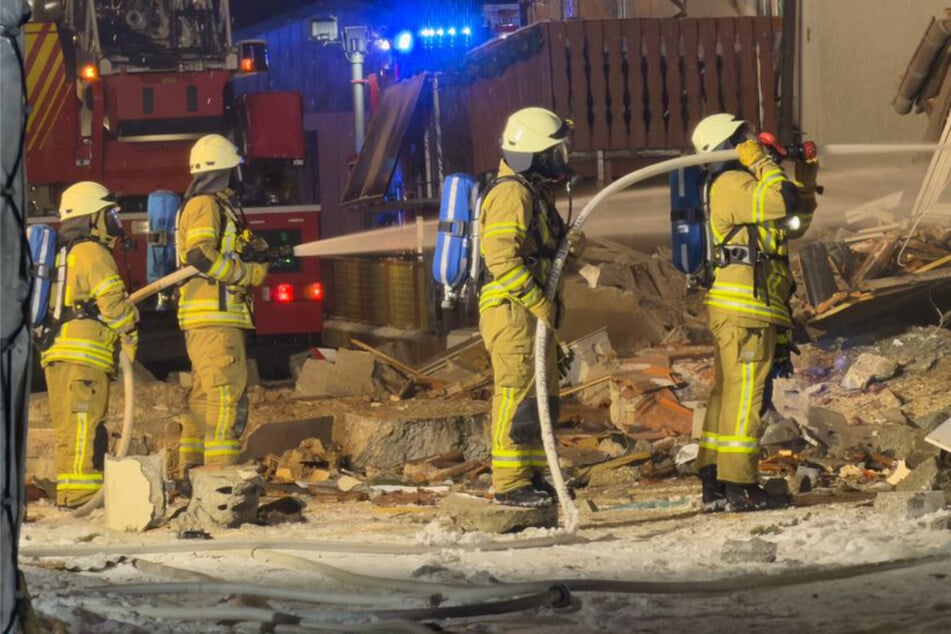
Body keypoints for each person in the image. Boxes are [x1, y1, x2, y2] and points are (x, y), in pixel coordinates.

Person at [691, 113, 819, 512]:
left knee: (729, 394)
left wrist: (806, 173)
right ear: (728, 145)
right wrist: (763, 162)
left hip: (750, 308)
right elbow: (777, 199)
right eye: (743, 138)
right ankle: (740, 485)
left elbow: (793, 221)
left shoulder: (747, 184)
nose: (753, 141)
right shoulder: (731, 184)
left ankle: (715, 478)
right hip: (744, 310)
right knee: (745, 396)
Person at [478, 106, 584, 508]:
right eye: (555, 152)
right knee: (517, 394)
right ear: (533, 155)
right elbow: (501, 260)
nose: (563, 159)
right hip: (513, 310)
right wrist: (540, 302)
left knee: (541, 395)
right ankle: (509, 483)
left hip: (530, 311)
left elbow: (549, 251)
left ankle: (535, 474)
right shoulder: (510, 195)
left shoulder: (533, 194)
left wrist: (572, 247)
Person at [175, 134, 268, 486]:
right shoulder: (204, 205)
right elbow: (200, 254)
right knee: (225, 396)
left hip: (210, 320)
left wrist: (252, 250)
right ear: (223, 170)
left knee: (205, 397)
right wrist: (244, 273)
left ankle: (193, 473)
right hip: (215, 318)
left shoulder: (214, 206)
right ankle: (220, 478)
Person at [40, 181, 139, 508]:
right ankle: (83, 497)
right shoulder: (92, 252)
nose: (114, 221)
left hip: (59, 355)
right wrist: (131, 326)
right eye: (108, 213)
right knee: (83, 426)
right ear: (90, 217)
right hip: (84, 357)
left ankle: (71, 495)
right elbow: (112, 302)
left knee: (71, 429)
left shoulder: (64, 252)